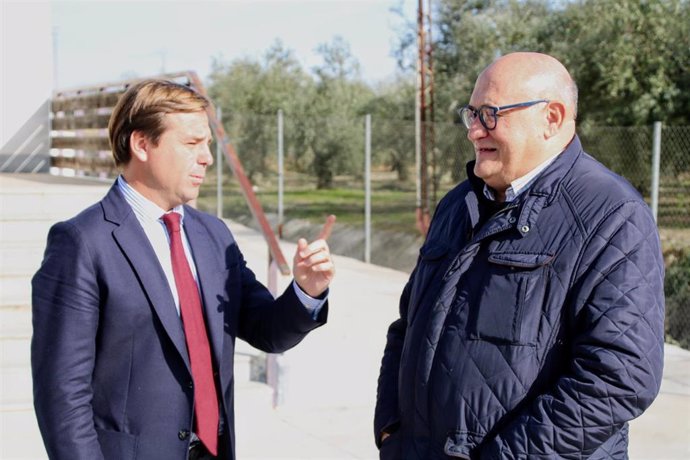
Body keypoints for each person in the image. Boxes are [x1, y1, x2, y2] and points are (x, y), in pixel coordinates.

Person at [374, 52, 665, 459]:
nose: (475, 131)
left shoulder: (612, 215)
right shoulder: (457, 205)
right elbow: (407, 328)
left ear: (552, 118)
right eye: (472, 114)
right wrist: (391, 431)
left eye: (491, 114)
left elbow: (620, 377)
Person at [31, 79, 336, 460]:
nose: (207, 157)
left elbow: (267, 330)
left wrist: (306, 291)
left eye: (207, 143)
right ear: (142, 144)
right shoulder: (82, 242)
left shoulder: (213, 234)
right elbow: (62, 393)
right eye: (192, 144)